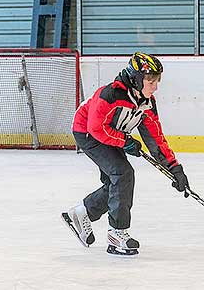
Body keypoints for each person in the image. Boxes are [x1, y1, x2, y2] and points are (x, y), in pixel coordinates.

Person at [62, 52, 190, 256]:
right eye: (150, 80)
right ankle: (117, 233)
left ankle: (82, 212)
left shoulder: (147, 103)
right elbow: (96, 128)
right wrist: (125, 141)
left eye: (157, 80)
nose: (155, 86)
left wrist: (175, 169)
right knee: (123, 174)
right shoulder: (110, 95)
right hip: (87, 132)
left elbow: (156, 140)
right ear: (136, 78)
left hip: (111, 134)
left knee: (117, 181)